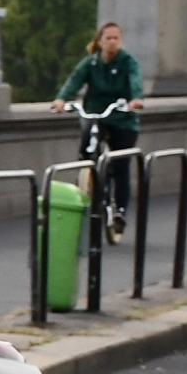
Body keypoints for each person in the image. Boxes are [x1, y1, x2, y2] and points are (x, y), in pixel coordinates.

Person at [52, 21, 144, 241]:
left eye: (116, 38)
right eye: (108, 38)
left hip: (123, 117)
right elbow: (74, 80)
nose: (112, 42)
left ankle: (120, 211)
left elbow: (135, 80)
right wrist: (62, 99)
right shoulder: (91, 63)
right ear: (100, 41)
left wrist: (135, 99)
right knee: (87, 144)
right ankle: (87, 179)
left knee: (121, 166)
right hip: (97, 114)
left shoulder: (128, 62)